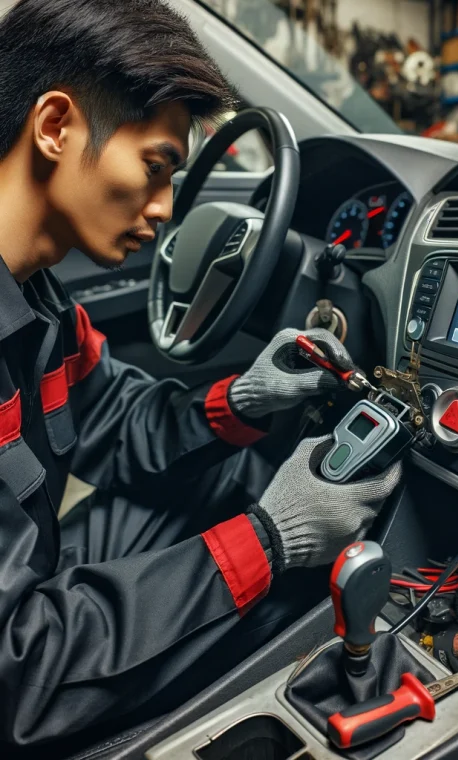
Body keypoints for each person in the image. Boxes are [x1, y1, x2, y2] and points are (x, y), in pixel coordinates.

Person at [0, 0, 401, 750]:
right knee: (286, 572)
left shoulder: (38, 299)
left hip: (30, 579)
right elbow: (15, 670)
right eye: (156, 168)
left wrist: (243, 398)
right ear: (54, 127)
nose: (163, 211)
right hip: (18, 664)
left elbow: (114, 423)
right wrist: (270, 541)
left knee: (235, 491)